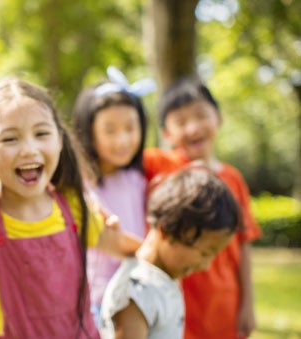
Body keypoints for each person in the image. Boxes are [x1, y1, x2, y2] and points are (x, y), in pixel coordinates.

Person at [0, 77, 141, 338]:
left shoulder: (74, 205)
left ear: (60, 140)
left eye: (41, 134)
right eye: (10, 139)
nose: (29, 149)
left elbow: (125, 247)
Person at [143, 77, 262, 339]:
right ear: (166, 133)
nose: (193, 127)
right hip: (174, 300)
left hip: (224, 302)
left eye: (200, 116)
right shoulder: (160, 164)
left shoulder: (234, 179)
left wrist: (248, 304)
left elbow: (244, 245)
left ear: (218, 118)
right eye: (181, 122)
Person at [100, 166, 242, 339]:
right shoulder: (135, 294)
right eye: (204, 253)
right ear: (166, 229)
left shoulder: (164, 279)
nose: (206, 266)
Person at [71, 66, 155, 327]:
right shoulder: (80, 186)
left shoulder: (138, 179)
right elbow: (109, 242)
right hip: (97, 303)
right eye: (110, 130)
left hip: (138, 297)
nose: (122, 140)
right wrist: (157, 257)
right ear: (89, 131)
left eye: (131, 128)